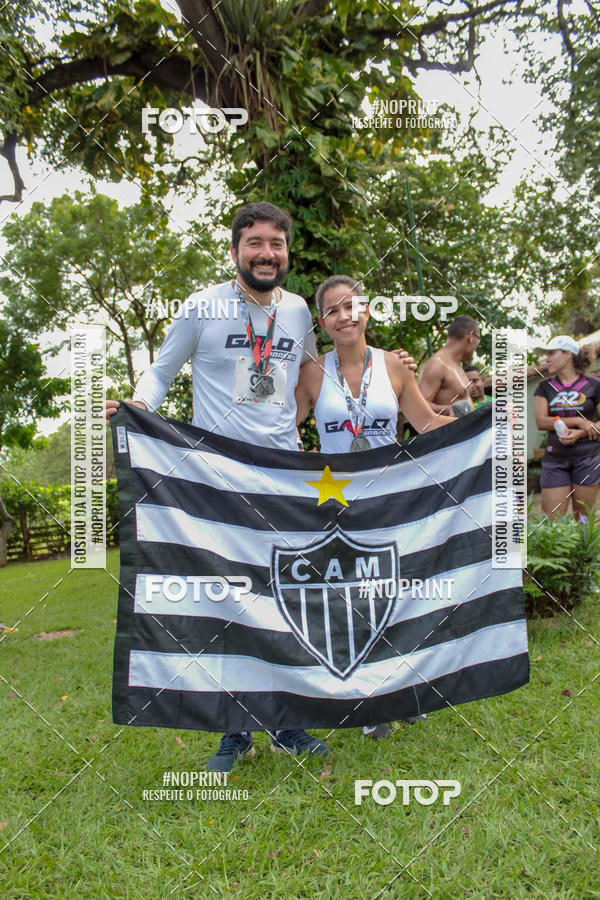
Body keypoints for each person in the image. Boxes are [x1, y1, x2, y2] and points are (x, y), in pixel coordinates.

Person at [107, 201, 330, 771]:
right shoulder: (201, 306)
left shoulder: (298, 310)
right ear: (235, 251)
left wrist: (302, 417)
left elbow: (308, 373)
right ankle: (234, 729)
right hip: (216, 477)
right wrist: (139, 407)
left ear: (286, 251)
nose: (266, 253)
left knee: (284, 595)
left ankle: (287, 721)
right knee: (228, 599)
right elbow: (161, 370)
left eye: (276, 243)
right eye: (255, 242)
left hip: (283, 477)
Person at [295, 275, 455, 739]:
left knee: (395, 592)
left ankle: (405, 690)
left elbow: (425, 423)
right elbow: (282, 429)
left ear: (366, 310)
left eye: (352, 306)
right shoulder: (311, 372)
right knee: (352, 597)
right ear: (322, 322)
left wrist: (487, 421)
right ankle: (369, 700)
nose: (344, 316)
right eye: (333, 310)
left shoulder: (394, 366)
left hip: (391, 497)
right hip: (337, 500)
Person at [533, 335, 600, 520]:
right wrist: (577, 421)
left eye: (551, 353)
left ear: (568, 354)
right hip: (555, 459)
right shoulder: (544, 386)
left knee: (584, 520)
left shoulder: (594, 384)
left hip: (587, 458)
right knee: (552, 522)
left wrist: (580, 433)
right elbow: (541, 421)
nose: (547, 358)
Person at [418, 316, 481, 417]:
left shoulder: (458, 366)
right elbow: (419, 405)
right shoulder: (437, 364)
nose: (477, 346)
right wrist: (449, 410)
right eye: (478, 340)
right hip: (449, 427)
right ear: (471, 336)